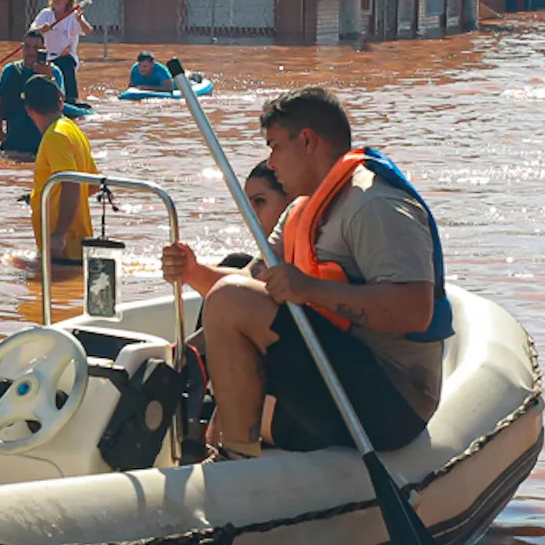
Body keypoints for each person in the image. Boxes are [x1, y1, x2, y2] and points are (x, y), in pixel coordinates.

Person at [160, 87, 449, 459]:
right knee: (228, 297)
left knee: (231, 300)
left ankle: (234, 460)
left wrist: (310, 289)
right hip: (335, 377)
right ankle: (227, 452)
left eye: (275, 146)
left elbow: (414, 310)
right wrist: (193, 271)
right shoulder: (301, 208)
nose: (272, 162)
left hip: (394, 399)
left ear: (308, 140)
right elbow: (245, 289)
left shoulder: (375, 204)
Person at [167, 163, 293, 294]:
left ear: (291, 200)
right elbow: (249, 276)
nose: (250, 216)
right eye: (248, 207)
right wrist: (191, 271)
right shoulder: (275, 247)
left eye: (260, 201)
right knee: (236, 262)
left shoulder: (310, 230)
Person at [28, 74, 97, 266]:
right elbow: (93, 185)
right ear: (60, 103)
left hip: (63, 247)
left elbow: (71, 183)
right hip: (74, 243)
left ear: (29, 110)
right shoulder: (72, 130)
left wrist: (59, 234)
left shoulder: (55, 136)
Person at [0, 28, 59, 160]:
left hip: (40, 145)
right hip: (13, 142)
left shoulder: (53, 72)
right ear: (22, 48)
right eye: (27, 46)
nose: (31, 52)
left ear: (43, 49)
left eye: (36, 47)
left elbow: (61, 103)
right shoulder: (10, 70)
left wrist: (50, 78)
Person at [32, 0, 95, 108]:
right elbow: (31, 33)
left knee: (66, 62)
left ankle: (71, 98)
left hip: (64, 56)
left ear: (67, 0)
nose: (56, 0)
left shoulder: (73, 16)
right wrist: (41, 29)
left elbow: (88, 31)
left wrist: (80, 21)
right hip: (46, 56)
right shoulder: (45, 14)